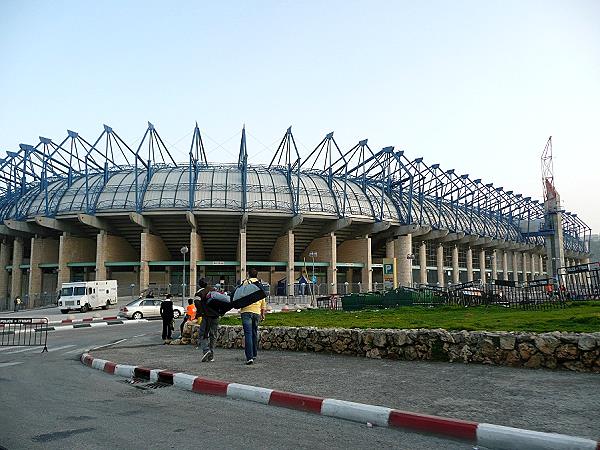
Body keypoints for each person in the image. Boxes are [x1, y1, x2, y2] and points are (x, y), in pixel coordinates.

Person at [240, 268, 266, 365]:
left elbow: (240, 295)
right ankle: (254, 354)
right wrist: (263, 313)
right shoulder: (260, 285)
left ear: (248, 274)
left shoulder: (245, 283)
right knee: (254, 333)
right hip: (257, 312)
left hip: (246, 311)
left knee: (248, 334)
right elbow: (263, 300)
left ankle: (249, 357)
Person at [195, 279, 219, 362]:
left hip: (206, 316)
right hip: (216, 316)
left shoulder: (199, 292)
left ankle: (206, 350)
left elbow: (196, 302)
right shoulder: (214, 290)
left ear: (200, 285)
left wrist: (201, 311)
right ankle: (211, 355)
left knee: (203, 334)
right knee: (213, 335)